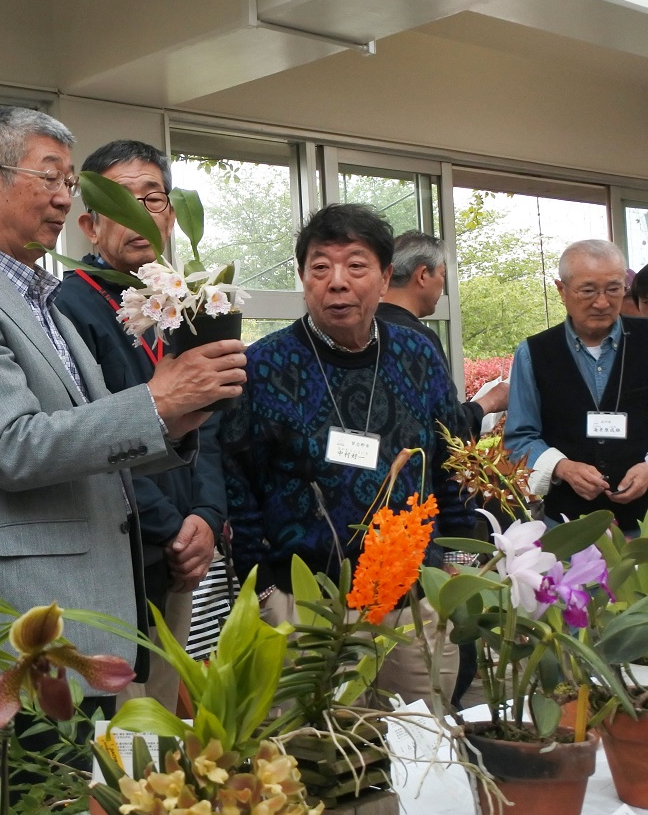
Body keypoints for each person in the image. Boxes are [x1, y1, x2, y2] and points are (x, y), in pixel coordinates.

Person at [0, 106, 246, 716]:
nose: (64, 198)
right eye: (49, 177)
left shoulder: (45, 304)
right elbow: (14, 449)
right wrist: (156, 402)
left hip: (95, 606)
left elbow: (92, 446)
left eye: (70, 183)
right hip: (28, 616)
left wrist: (179, 420)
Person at [220, 203, 471, 707]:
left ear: (383, 278)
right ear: (303, 278)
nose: (337, 282)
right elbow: (236, 480)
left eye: (356, 266)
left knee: (424, 752)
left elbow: (451, 458)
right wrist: (266, 590)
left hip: (413, 596)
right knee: (317, 758)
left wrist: (459, 558)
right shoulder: (263, 365)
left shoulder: (418, 354)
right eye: (320, 267)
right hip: (307, 602)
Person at [55, 138, 225, 710]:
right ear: (89, 225)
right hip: (122, 550)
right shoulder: (69, 307)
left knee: (166, 733)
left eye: (151, 199)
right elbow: (86, 433)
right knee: (124, 740)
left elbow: (214, 422)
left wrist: (206, 516)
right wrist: (171, 526)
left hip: (185, 551)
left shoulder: (187, 302)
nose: (138, 215)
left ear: (171, 215)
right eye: (119, 202)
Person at [506, 239, 648, 534]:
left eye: (613, 289)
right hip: (568, 530)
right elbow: (519, 437)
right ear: (561, 290)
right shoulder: (534, 353)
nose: (602, 302)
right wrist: (562, 467)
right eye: (588, 291)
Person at [377, 231, 509, 436]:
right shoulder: (418, 340)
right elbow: (447, 427)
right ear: (422, 275)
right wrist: (491, 400)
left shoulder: (363, 329)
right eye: (442, 275)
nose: (443, 286)